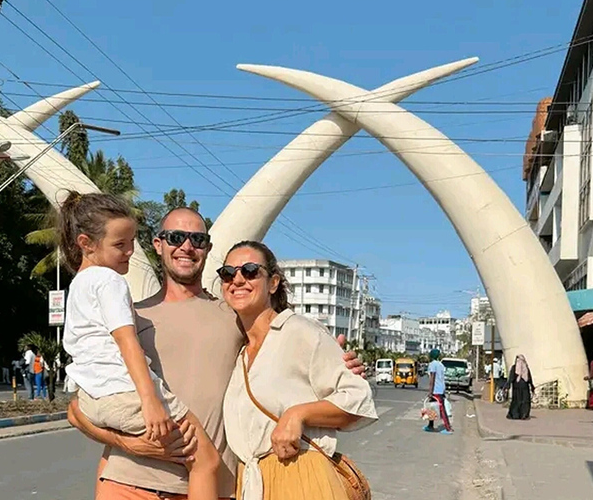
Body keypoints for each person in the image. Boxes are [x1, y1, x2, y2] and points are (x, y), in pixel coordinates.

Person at [66, 206, 364, 500]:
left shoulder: (234, 316)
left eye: (196, 239)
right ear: (158, 244)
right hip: (130, 484)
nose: (186, 247)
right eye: (175, 237)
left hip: (215, 487)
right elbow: (79, 408)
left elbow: (286, 350)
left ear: (207, 248)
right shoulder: (128, 318)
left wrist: (339, 363)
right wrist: (128, 444)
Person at [59, 191, 219, 500]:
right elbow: (126, 340)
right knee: (206, 459)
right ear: (86, 243)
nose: (130, 252)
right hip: (128, 394)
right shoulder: (110, 282)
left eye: (132, 242)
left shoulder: (78, 286)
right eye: (120, 245)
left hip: (96, 397)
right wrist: (150, 400)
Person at [220, 241, 377, 500]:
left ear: (273, 283)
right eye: (228, 273)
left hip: (302, 478)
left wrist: (298, 414)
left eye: (249, 270)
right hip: (253, 482)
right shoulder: (239, 351)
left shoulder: (300, 331)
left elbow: (358, 399)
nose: (237, 279)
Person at [425, 349, 452, 434]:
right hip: (441, 388)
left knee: (441, 409)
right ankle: (430, 425)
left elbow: (432, 378)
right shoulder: (441, 364)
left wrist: (430, 391)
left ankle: (448, 428)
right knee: (431, 408)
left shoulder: (432, 364)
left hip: (436, 390)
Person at [506, 355, 534, 420]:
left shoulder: (515, 367)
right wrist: (532, 387)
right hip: (524, 388)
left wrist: (508, 386)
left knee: (517, 401)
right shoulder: (525, 368)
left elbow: (511, 377)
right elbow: (529, 379)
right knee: (524, 401)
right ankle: (523, 415)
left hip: (517, 388)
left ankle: (516, 415)